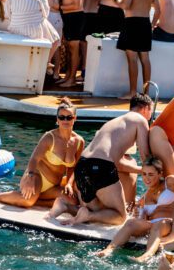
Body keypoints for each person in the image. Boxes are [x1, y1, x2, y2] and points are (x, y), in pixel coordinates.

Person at [47, 94, 152, 226]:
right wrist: (159, 174)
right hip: (100, 166)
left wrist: (139, 170)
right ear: (145, 108)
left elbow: (115, 162)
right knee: (119, 217)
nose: (150, 116)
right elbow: (147, 159)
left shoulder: (115, 122)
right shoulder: (140, 120)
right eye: (151, 111)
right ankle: (88, 214)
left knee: (102, 211)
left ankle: (65, 206)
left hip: (82, 165)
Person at [0, 98, 84, 209]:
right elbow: (34, 159)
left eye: (69, 117)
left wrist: (69, 184)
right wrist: (30, 177)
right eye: (62, 117)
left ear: (74, 118)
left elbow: (73, 168)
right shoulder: (49, 137)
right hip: (37, 177)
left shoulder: (79, 141)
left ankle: (35, 199)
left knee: (73, 201)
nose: (65, 120)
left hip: (53, 186)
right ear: (57, 120)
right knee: (27, 201)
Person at [95, 157, 174, 258]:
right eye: (144, 174)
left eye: (151, 174)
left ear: (160, 173)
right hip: (152, 226)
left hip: (169, 224)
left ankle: (147, 255)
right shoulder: (144, 198)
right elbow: (141, 218)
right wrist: (139, 215)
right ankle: (109, 249)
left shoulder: (170, 182)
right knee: (130, 223)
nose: (147, 178)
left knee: (159, 224)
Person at [116, 0, 161, 99]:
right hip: (145, 23)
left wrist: (117, 1)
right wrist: (152, 25)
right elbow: (158, 10)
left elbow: (126, 5)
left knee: (132, 59)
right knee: (145, 59)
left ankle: (132, 92)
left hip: (132, 23)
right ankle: (146, 94)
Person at [5, 0, 60, 72]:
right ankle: (46, 62)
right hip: (34, 30)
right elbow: (46, 13)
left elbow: (8, 13)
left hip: (15, 28)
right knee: (56, 39)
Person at [58, 0, 85, 87]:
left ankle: (72, 79)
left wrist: (60, 8)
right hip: (68, 18)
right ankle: (68, 75)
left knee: (74, 49)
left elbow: (78, 5)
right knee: (69, 48)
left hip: (75, 18)